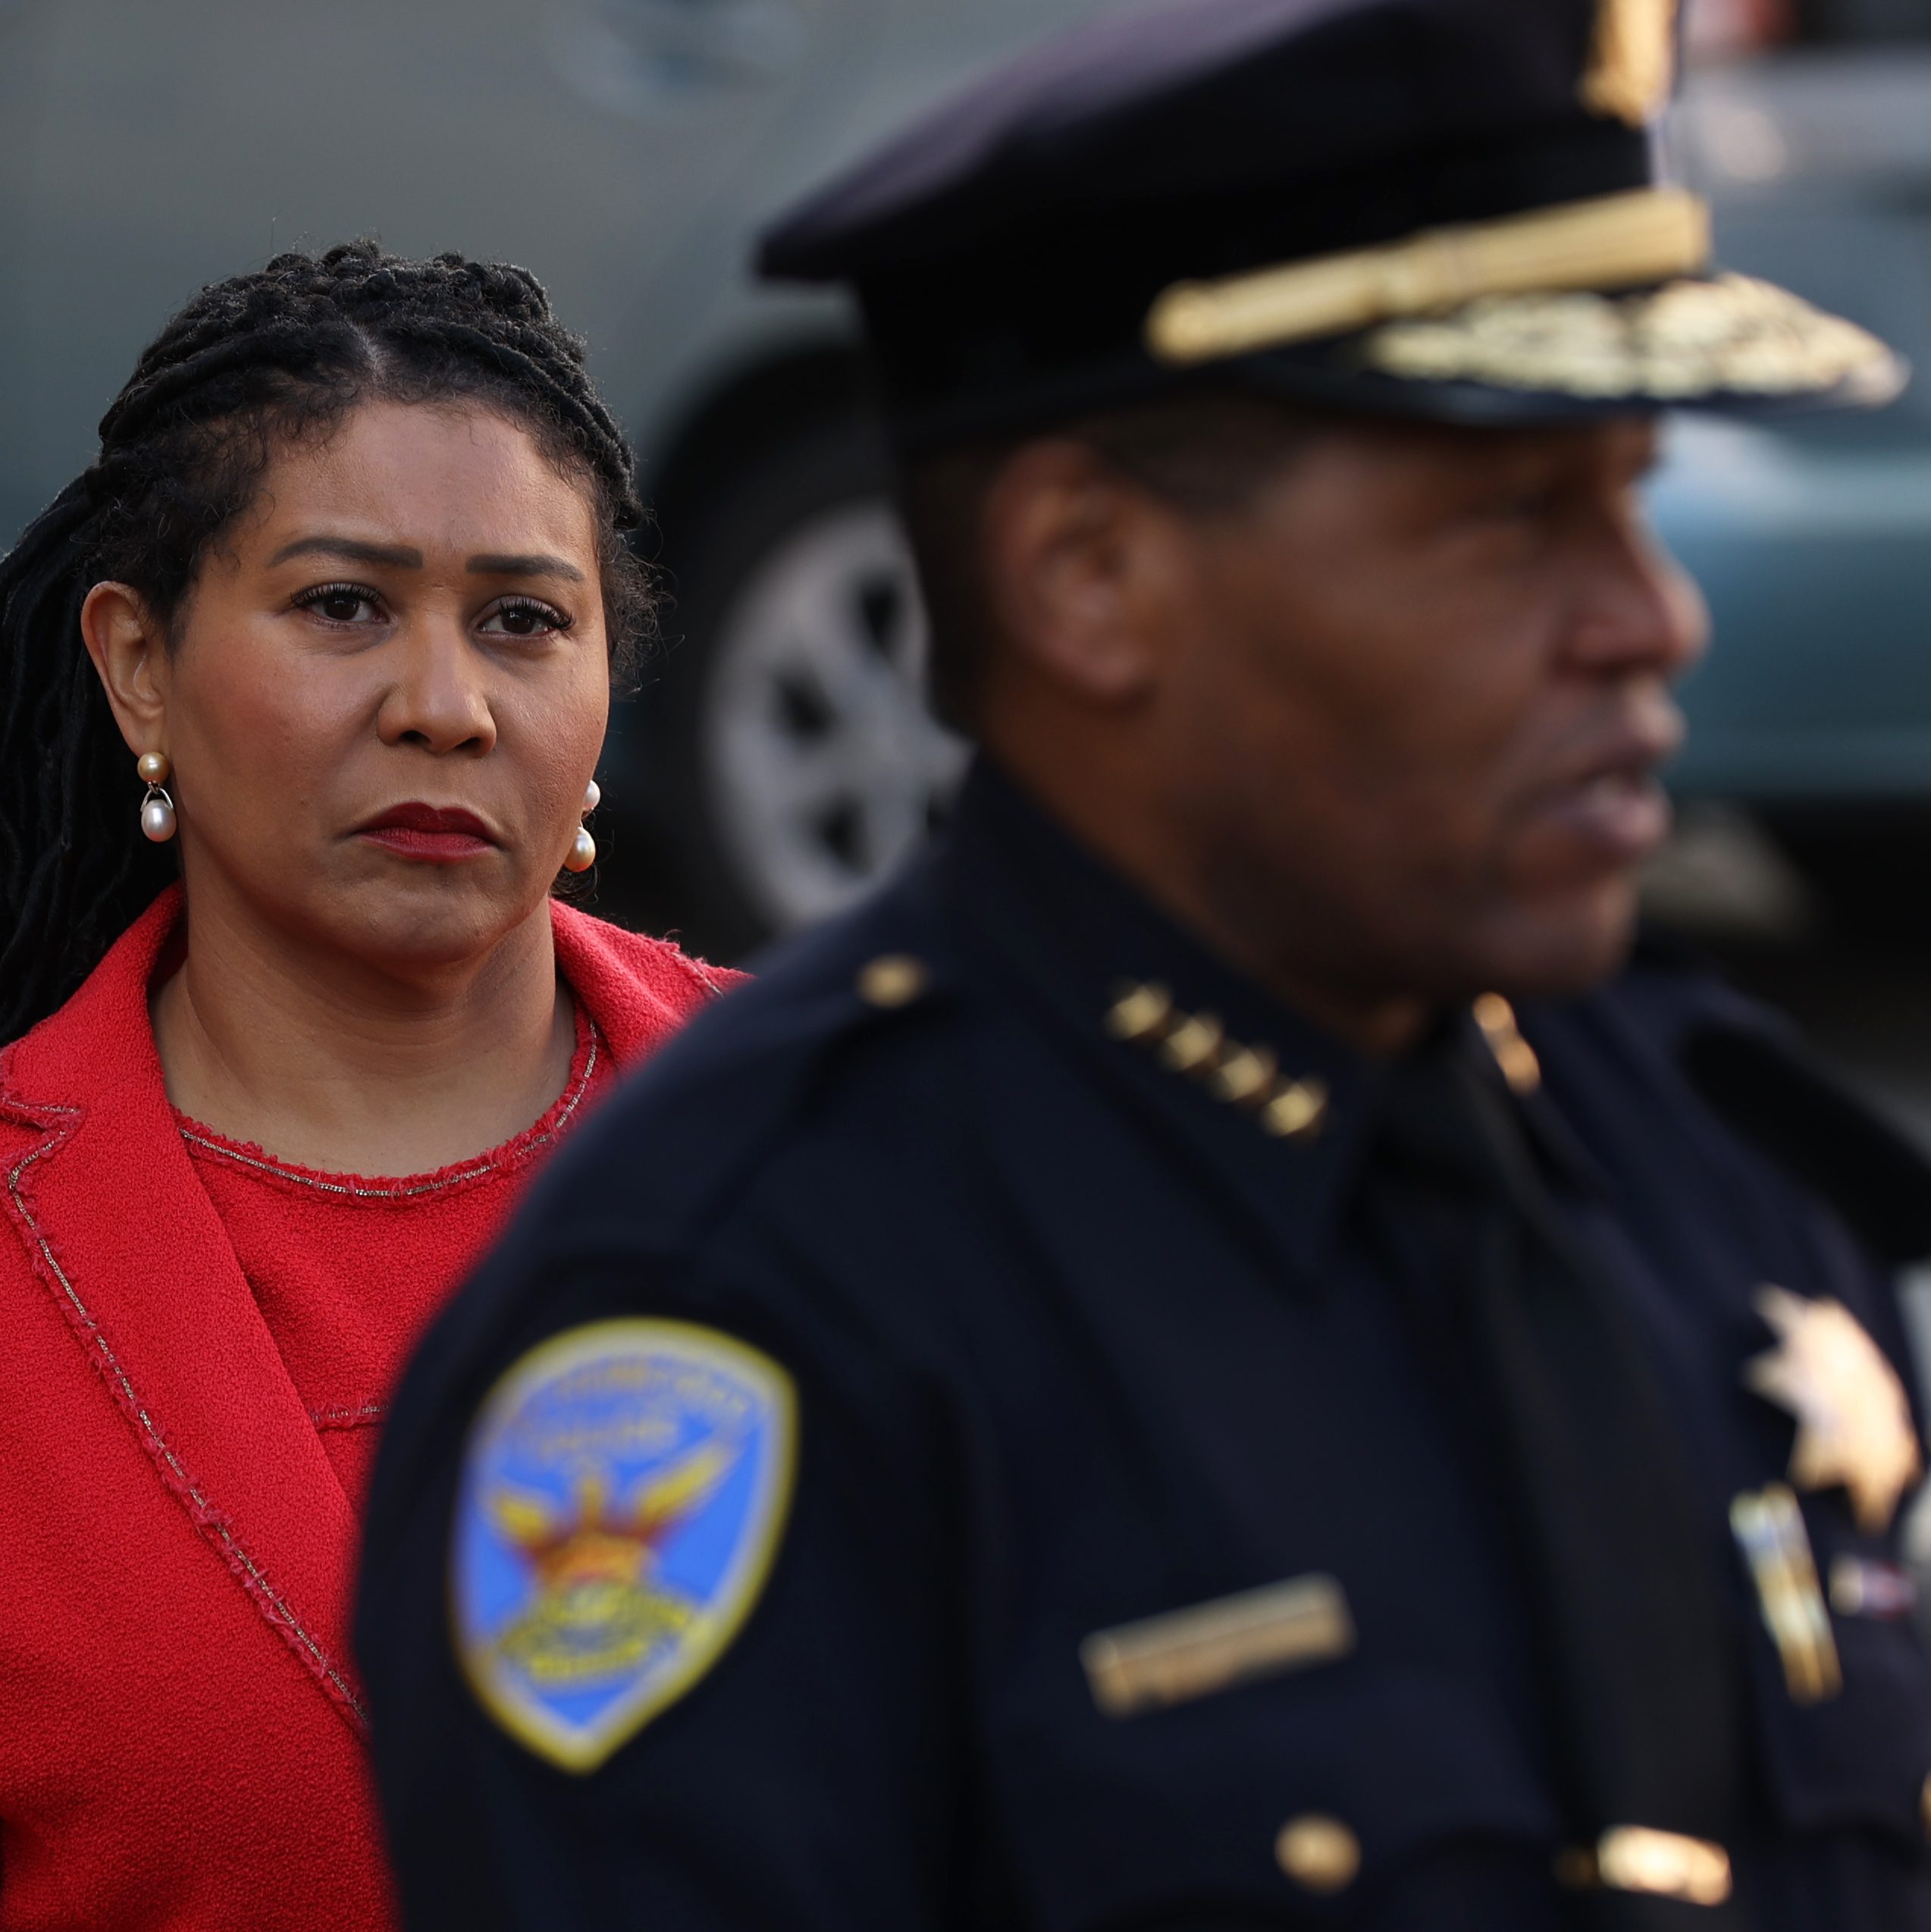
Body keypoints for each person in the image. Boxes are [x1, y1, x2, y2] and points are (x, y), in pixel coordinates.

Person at [359, 2, 1931, 1926]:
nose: (1644, 614)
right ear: (1087, 575)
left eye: (1632, 496)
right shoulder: (748, 1326)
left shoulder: (1706, 1167)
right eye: (1505, 521)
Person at [0, 242, 738, 1931]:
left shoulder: (867, 1147)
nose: (445, 706)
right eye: (342, 604)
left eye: (522, 620)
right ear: (138, 668)